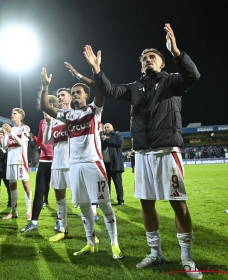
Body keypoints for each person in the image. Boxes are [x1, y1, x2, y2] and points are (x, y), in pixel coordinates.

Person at [90, 24, 202, 278]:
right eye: (144, 59)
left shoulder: (173, 82)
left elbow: (193, 76)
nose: (147, 60)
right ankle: (155, 252)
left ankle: (186, 258)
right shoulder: (134, 87)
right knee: (146, 204)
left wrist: (176, 52)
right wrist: (97, 71)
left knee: (178, 204)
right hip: (142, 154)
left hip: (167, 151)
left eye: (152, 57)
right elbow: (109, 90)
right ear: (141, 66)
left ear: (162, 63)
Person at [40, 65, 122, 259]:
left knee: (104, 204)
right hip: (74, 165)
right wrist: (44, 87)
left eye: (78, 93)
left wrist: (78, 75)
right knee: (84, 206)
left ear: (86, 95)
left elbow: (100, 89)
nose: (75, 95)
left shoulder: (95, 110)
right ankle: (90, 243)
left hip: (93, 162)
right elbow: (45, 107)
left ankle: (114, 243)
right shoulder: (67, 115)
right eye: (73, 93)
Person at [20, 95, 57, 233]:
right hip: (44, 160)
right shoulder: (42, 122)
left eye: (46, 106)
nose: (44, 111)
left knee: (60, 192)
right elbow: (41, 141)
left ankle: (60, 222)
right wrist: (34, 138)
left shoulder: (61, 120)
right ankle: (33, 222)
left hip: (58, 161)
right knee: (39, 191)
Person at [46, 88, 73, 241]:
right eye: (58, 96)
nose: (60, 98)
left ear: (69, 98)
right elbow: (46, 141)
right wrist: (49, 123)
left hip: (72, 163)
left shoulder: (75, 115)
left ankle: (91, 233)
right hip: (57, 163)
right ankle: (63, 230)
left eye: (63, 95)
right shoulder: (54, 119)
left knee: (80, 198)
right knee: (59, 198)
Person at [1, 108, 32, 221]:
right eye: (12, 113)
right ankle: (14, 211)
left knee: (25, 184)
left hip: (20, 160)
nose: (12, 115)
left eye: (15, 113)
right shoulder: (11, 129)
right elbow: (4, 147)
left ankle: (29, 211)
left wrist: (11, 133)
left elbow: (22, 143)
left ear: (20, 116)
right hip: (10, 161)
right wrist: (5, 134)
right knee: (12, 186)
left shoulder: (25, 128)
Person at [101, 123, 125, 206]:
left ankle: (121, 200)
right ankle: (107, 200)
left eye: (108, 127)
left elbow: (119, 143)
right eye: (104, 127)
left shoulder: (117, 135)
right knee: (106, 184)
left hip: (115, 164)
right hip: (105, 164)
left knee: (118, 183)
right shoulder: (101, 137)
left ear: (112, 128)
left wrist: (107, 139)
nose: (106, 128)